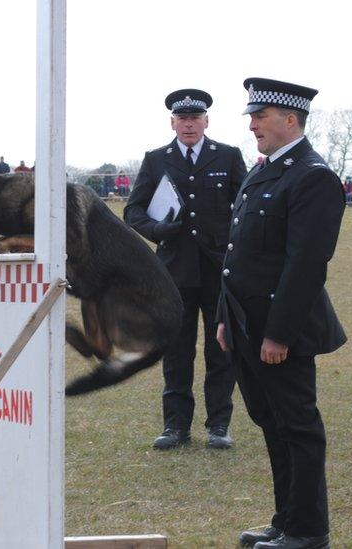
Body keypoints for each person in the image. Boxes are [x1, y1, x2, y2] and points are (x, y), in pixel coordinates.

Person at [217, 78, 345, 549]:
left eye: (260, 116)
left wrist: (280, 334)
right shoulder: (265, 170)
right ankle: (286, 521)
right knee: (272, 424)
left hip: (278, 330)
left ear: (290, 119)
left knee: (298, 427)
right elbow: (236, 253)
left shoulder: (313, 176)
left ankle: (309, 532)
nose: (252, 126)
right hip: (246, 324)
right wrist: (224, 319)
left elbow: (307, 265)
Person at [124, 88, 247, 451]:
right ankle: (175, 426)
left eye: (195, 118)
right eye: (182, 118)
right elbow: (133, 212)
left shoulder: (227, 156)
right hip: (174, 272)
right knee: (177, 351)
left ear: (206, 121)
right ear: (172, 123)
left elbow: (245, 207)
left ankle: (219, 425)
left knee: (220, 348)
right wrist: (157, 231)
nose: (189, 124)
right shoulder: (156, 159)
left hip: (218, 271)